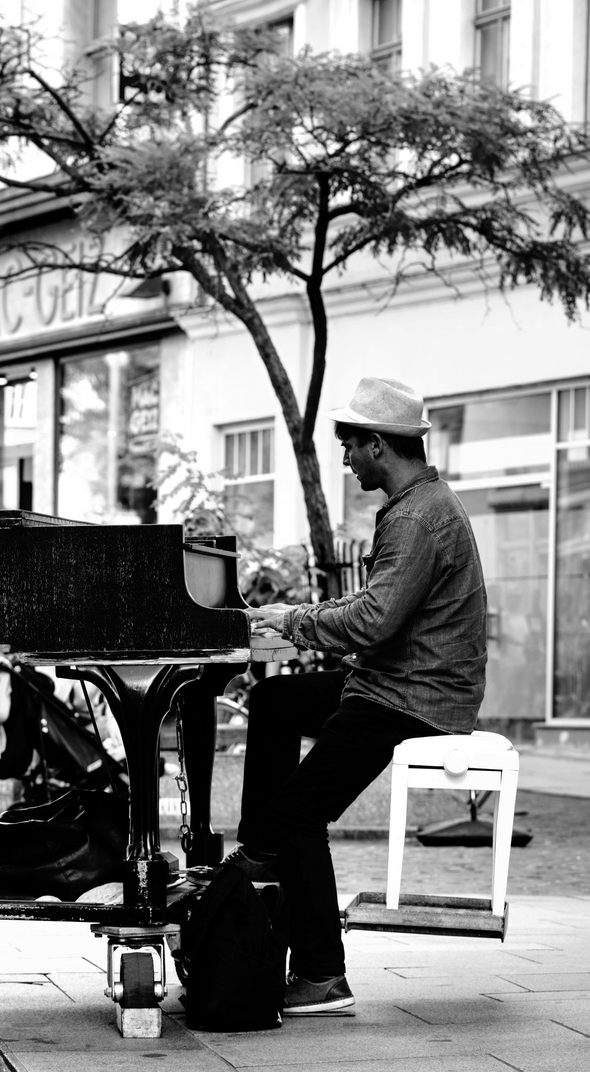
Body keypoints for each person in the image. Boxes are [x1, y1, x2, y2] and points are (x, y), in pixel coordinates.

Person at [225, 376, 487, 1017]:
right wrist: (297, 612)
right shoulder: (417, 508)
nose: (343, 459)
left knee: (298, 814)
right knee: (275, 703)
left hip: (412, 696)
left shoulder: (418, 519)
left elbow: (373, 623)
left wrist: (291, 621)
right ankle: (261, 852)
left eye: (349, 446)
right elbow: (375, 608)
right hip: (395, 679)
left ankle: (321, 974)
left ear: (377, 444)